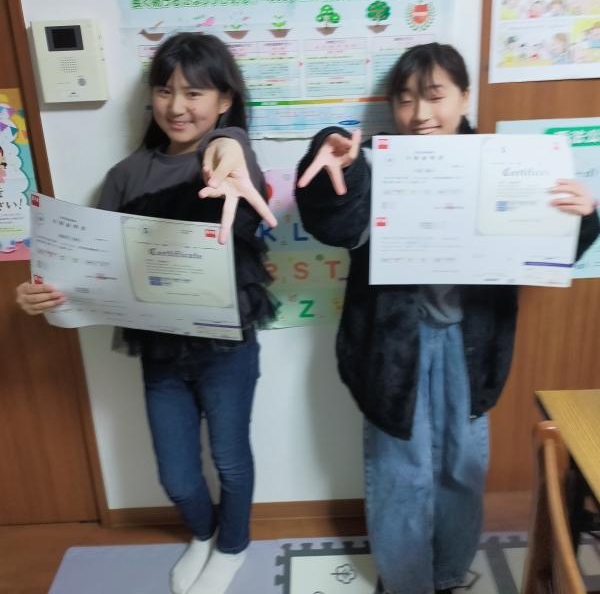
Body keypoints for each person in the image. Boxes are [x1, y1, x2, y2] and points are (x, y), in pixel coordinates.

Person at [295, 42, 599, 594]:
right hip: (392, 347)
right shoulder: (377, 163)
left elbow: (545, 249)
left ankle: (449, 573)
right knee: (399, 469)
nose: (420, 114)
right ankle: (405, 581)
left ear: (464, 97)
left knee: (463, 465)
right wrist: (333, 156)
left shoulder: (505, 165)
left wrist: (582, 216)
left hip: (470, 343)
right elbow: (335, 223)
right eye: (406, 100)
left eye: (435, 96)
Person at [16, 33, 278, 594]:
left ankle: (233, 546)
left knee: (231, 460)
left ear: (225, 100)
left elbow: (234, 155)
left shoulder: (227, 158)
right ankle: (204, 534)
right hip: (160, 348)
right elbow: (89, 265)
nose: (177, 106)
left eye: (194, 92)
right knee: (176, 475)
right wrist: (45, 293)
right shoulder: (126, 175)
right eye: (164, 90)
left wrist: (230, 145)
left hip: (226, 346)